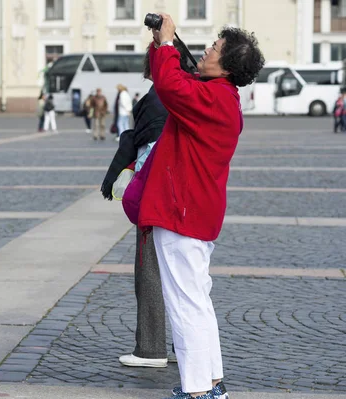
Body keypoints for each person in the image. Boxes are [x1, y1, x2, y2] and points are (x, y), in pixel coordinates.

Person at [141, 15, 264, 399]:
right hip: (195, 213)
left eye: (215, 47)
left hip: (183, 214)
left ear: (226, 65)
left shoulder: (214, 99)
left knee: (185, 303)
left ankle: (196, 390)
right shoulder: (222, 97)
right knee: (197, 299)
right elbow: (175, 79)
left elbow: (170, 86)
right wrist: (163, 41)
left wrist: (164, 45)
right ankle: (210, 382)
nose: (208, 48)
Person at [101, 40, 195, 371]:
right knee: (177, 278)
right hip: (179, 200)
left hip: (158, 201)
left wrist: (134, 187)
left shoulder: (158, 100)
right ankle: (181, 347)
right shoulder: (185, 92)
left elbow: (153, 153)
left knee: (150, 274)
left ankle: (150, 348)